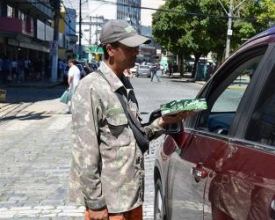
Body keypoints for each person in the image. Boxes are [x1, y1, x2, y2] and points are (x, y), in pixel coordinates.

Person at [69, 19, 195, 220]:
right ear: (110, 50)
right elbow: (85, 153)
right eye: (130, 47)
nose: (136, 51)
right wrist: (95, 204)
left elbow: (134, 138)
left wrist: (162, 122)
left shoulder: (125, 86)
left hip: (131, 198)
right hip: (109, 205)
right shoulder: (90, 88)